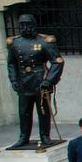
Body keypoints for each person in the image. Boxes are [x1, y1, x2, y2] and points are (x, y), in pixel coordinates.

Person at [6, 13, 63, 149]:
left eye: (28, 24)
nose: (26, 27)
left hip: (40, 79)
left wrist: (49, 80)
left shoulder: (45, 41)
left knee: (43, 110)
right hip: (23, 81)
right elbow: (11, 63)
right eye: (22, 25)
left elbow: (57, 61)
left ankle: (45, 136)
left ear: (34, 25)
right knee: (24, 111)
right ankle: (23, 137)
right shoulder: (15, 42)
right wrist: (13, 79)